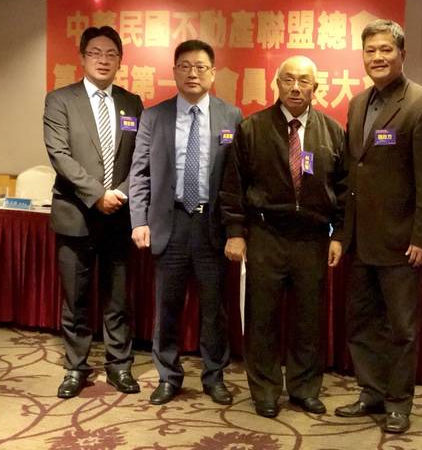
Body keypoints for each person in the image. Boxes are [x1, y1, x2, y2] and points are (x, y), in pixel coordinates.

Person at [334, 19, 422, 434]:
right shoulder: (357, 103)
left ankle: (398, 403)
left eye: (386, 50)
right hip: (360, 241)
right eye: (370, 51)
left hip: (402, 242)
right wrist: (342, 234)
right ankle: (371, 392)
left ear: (402, 54)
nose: (378, 57)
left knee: (401, 328)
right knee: (362, 323)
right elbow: (354, 172)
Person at [220, 55, 346, 418]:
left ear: (315, 88)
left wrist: (339, 235)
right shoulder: (253, 128)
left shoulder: (332, 131)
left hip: (312, 237)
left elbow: (344, 188)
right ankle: (265, 390)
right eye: (288, 80)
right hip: (265, 234)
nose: (295, 88)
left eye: (304, 81)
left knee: (309, 319)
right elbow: (233, 186)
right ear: (277, 84)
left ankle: (304, 389)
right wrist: (235, 232)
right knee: (262, 317)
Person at [129, 40, 242, 405]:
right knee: (167, 306)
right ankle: (168, 375)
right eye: (185, 66)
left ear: (213, 72)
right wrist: (138, 220)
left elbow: (237, 178)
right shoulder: (154, 116)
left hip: (212, 224)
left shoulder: (231, 116)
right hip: (171, 222)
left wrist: (237, 229)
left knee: (214, 309)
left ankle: (214, 375)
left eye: (200, 67)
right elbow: (140, 174)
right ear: (174, 71)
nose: (193, 73)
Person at [43, 26, 143, 398]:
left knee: (118, 299)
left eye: (111, 54)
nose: (103, 60)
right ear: (83, 57)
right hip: (76, 214)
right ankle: (76, 367)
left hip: (119, 216)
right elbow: (59, 154)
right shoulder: (60, 100)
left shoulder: (132, 102)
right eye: (96, 53)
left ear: (120, 61)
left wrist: (122, 192)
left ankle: (120, 366)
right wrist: (97, 194)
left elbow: (141, 157)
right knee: (77, 299)